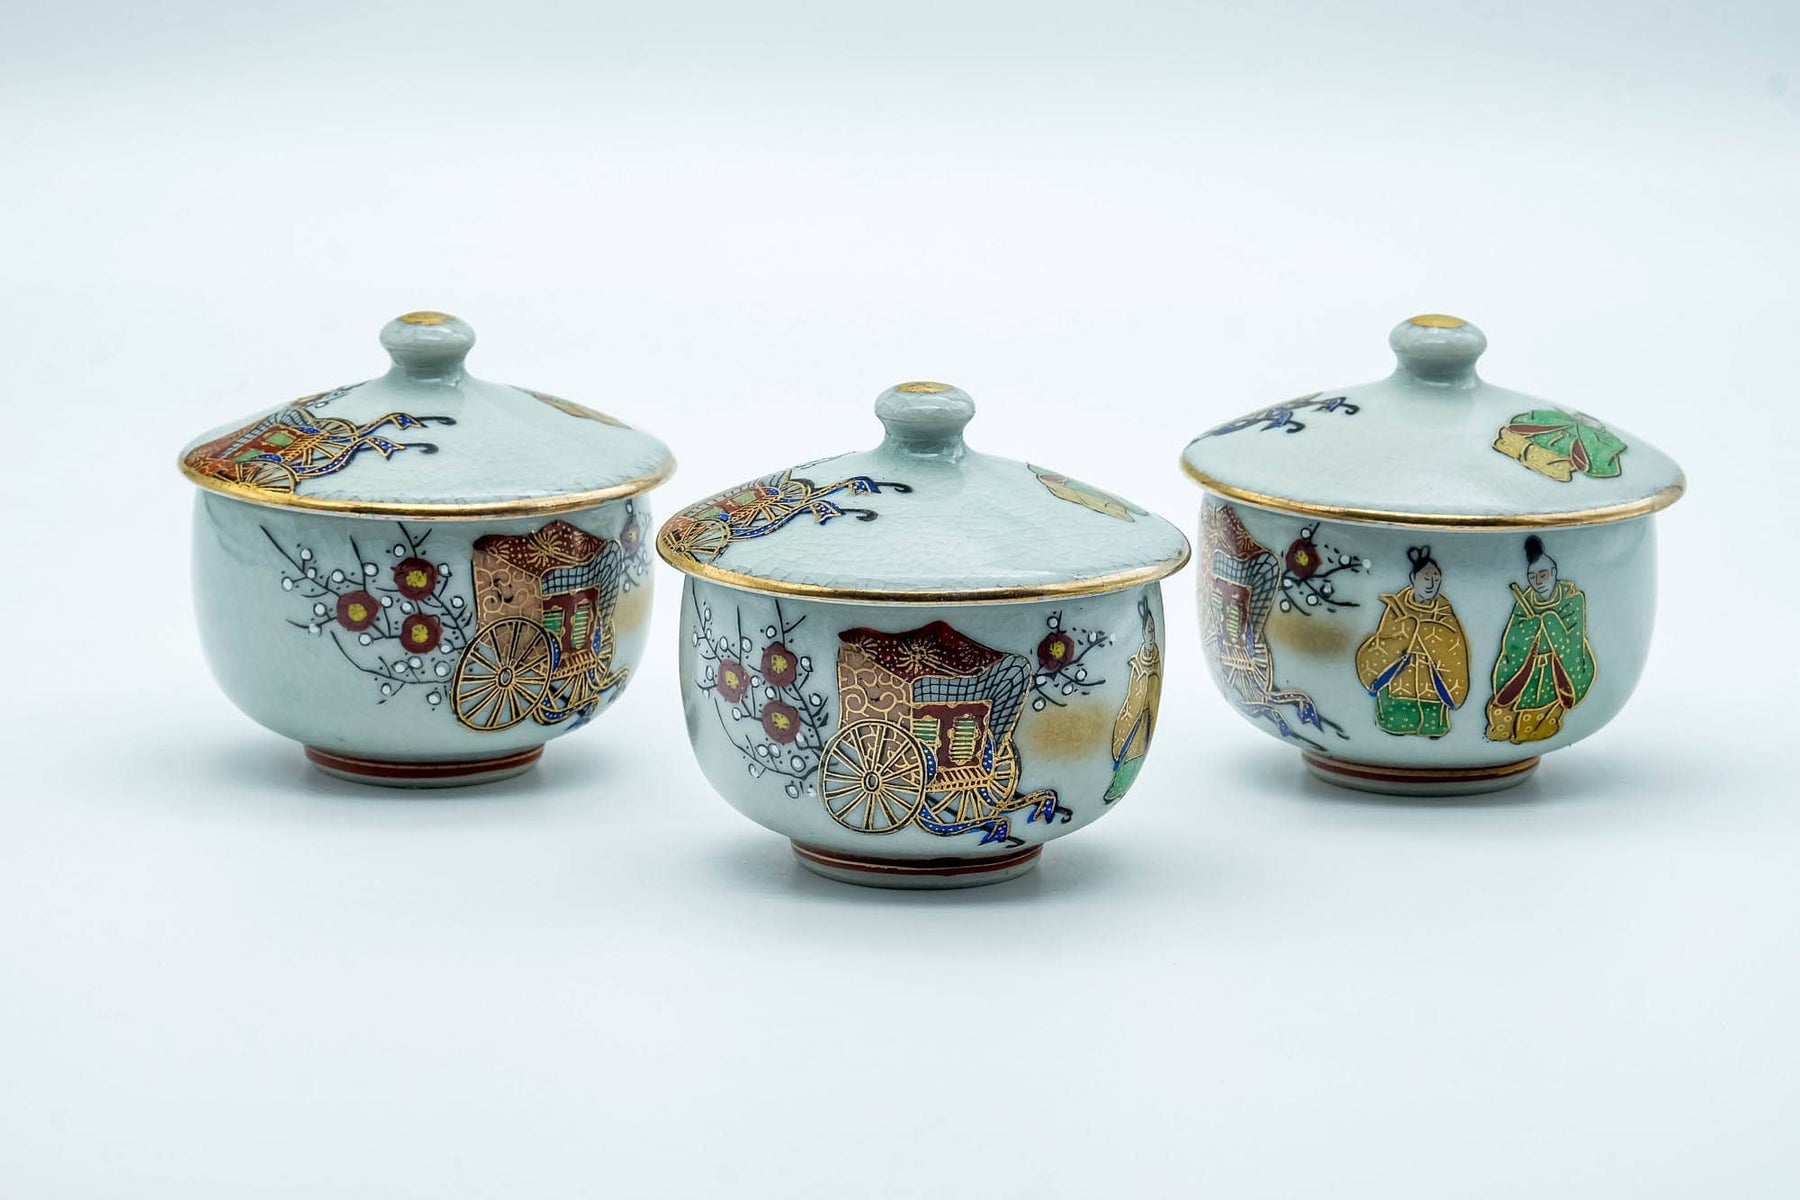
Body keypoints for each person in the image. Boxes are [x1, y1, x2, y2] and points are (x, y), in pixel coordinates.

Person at [1484, 536, 1596, 744]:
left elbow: (1574, 640)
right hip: (1527, 669)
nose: (1537, 582)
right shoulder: (1524, 602)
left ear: (1554, 573)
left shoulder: (1572, 600)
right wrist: (1534, 624)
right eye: (1532, 577)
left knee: (1540, 718)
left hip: (1556, 672)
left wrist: (1548, 620)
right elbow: (1513, 638)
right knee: (1505, 715)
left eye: (1542, 575)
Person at [1354, 547, 1469, 738]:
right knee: (1397, 721)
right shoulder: (1397, 607)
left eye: (1436, 578)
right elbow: (1385, 639)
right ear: (1413, 578)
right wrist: (1407, 630)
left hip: (1432, 678)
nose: (1431, 583)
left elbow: (1453, 645)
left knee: (1431, 721)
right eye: (1426, 577)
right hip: (1399, 675)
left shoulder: (1444, 612)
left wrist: (1426, 631)